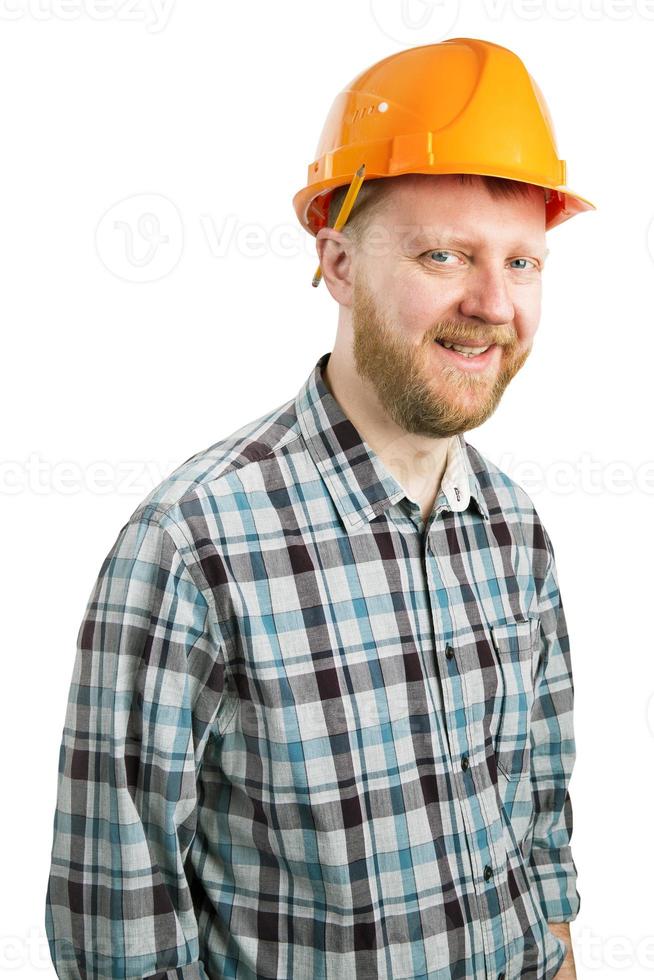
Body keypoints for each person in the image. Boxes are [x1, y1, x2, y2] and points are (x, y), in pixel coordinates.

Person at [44, 37, 595, 980]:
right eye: (443, 253)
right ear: (338, 264)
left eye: (523, 263)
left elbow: (540, 827)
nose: (493, 303)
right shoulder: (191, 544)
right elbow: (116, 927)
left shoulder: (514, 528)